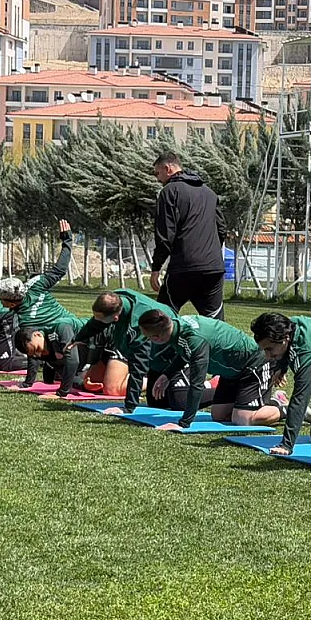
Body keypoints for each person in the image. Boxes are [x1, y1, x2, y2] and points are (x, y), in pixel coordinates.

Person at [0, 219, 126, 395]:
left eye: (2, 300)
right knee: (60, 375)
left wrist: (29, 383)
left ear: (11, 302)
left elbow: (33, 352)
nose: (1, 303)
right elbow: (60, 269)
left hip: (70, 335)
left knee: (76, 374)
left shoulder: (27, 319)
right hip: (58, 343)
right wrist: (67, 241)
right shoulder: (35, 287)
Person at [139, 310, 286, 431]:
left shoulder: (195, 338)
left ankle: (287, 409)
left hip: (255, 363)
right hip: (232, 371)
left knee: (243, 419)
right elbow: (184, 351)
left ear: (157, 338)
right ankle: (262, 402)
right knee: (219, 415)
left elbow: (197, 384)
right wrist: (167, 375)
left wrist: (183, 423)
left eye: (148, 337)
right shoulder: (176, 326)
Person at [150, 151, 228, 320]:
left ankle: (157, 347)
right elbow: (221, 229)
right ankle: (224, 346)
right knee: (216, 324)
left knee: (160, 320)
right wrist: (210, 250)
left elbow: (165, 236)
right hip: (213, 268)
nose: (157, 178)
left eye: (157, 173)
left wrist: (156, 268)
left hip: (184, 267)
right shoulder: (209, 193)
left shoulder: (169, 192)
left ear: (168, 168)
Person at [74, 289, 178, 414]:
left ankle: (207, 386)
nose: (97, 321)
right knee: (155, 402)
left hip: (171, 355)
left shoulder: (139, 326)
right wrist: (78, 338)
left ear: (116, 317)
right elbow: (97, 322)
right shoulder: (115, 300)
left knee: (176, 402)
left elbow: (138, 366)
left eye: (101, 319)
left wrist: (129, 406)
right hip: (150, 350)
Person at [250, 311, 311, 455]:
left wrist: (286, 445)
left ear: (284, 338)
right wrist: (281, 367)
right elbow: (288, 347)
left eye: (269, 349)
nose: (267, 355)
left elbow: (300, 399)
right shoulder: (292, 326)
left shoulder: (306, 353)